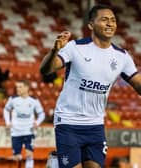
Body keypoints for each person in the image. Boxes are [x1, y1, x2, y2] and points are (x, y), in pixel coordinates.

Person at [40, 4, 141, 168]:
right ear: (91, 25)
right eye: (104, 19)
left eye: (113, 20)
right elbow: (46, 69)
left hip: (95, 125)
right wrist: (54, 51)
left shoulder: (122, 56)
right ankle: (56, 163)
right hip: (68, 122)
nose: (110, 24)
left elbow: (138, 83)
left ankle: (56, 163)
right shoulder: (75, 47)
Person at [3, 80, 45, 168]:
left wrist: (37, 122)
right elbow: (6, 110)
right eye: (17, 87)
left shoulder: (34, 100)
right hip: (16, 131)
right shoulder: (13, 99)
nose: (18, 89)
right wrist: (8, 122)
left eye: (20, 87)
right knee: (17, 157)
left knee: (29, 154)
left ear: (27, 88)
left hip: (29, 131)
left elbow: (42, 114)